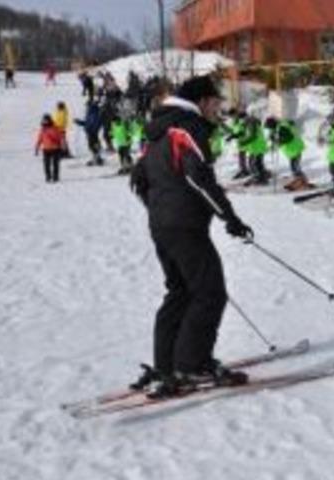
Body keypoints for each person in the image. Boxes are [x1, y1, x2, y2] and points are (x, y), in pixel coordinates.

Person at [128, 75, 253, 398]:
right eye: (215, 102)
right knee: (210, 293)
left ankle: (167, 365)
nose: (218, 109)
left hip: (161, 225)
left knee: (180, 291)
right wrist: (230, 218)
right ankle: (192, 364)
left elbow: (140, 179)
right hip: (184, 227)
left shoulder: (158, 129)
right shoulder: (188, 127)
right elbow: (198, 178)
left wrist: (163, 213)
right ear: (201, 101)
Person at [265, 116, 312, 191]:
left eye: (270, 127)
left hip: (295, 148)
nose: (270, 129)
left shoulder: (282, 128)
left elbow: (288, 137)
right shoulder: (278, 128)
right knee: (294, 166)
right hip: (292, 150)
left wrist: (278, 140)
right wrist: (274, 139)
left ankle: (301, 181)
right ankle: (300, 180)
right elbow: (278, 138)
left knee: (295, 167)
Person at [35, 114, 63, 183]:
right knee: (46, 164)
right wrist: (37, 148)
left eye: (46, 120)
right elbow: (39, 139)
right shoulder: (42, 129)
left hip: (55, 149)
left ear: (49, 120)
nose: (45, 122)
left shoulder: (55, 128)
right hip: (46, 149)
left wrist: (62, 147)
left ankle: (55, 176)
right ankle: (48, 176)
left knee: (55, 164)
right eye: (44, 121)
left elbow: (60, 138)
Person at [74, 101, 104, 166]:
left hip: (92, 132)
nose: (86, 107)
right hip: (90, 132)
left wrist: (92, 130)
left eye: (87, 106)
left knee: (93, 145)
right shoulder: (90, 113)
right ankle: (97, 157)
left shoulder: (94, 113)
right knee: (92, 145)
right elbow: (87, 123)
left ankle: (96, 158)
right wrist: (79, 122)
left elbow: (97, 123)